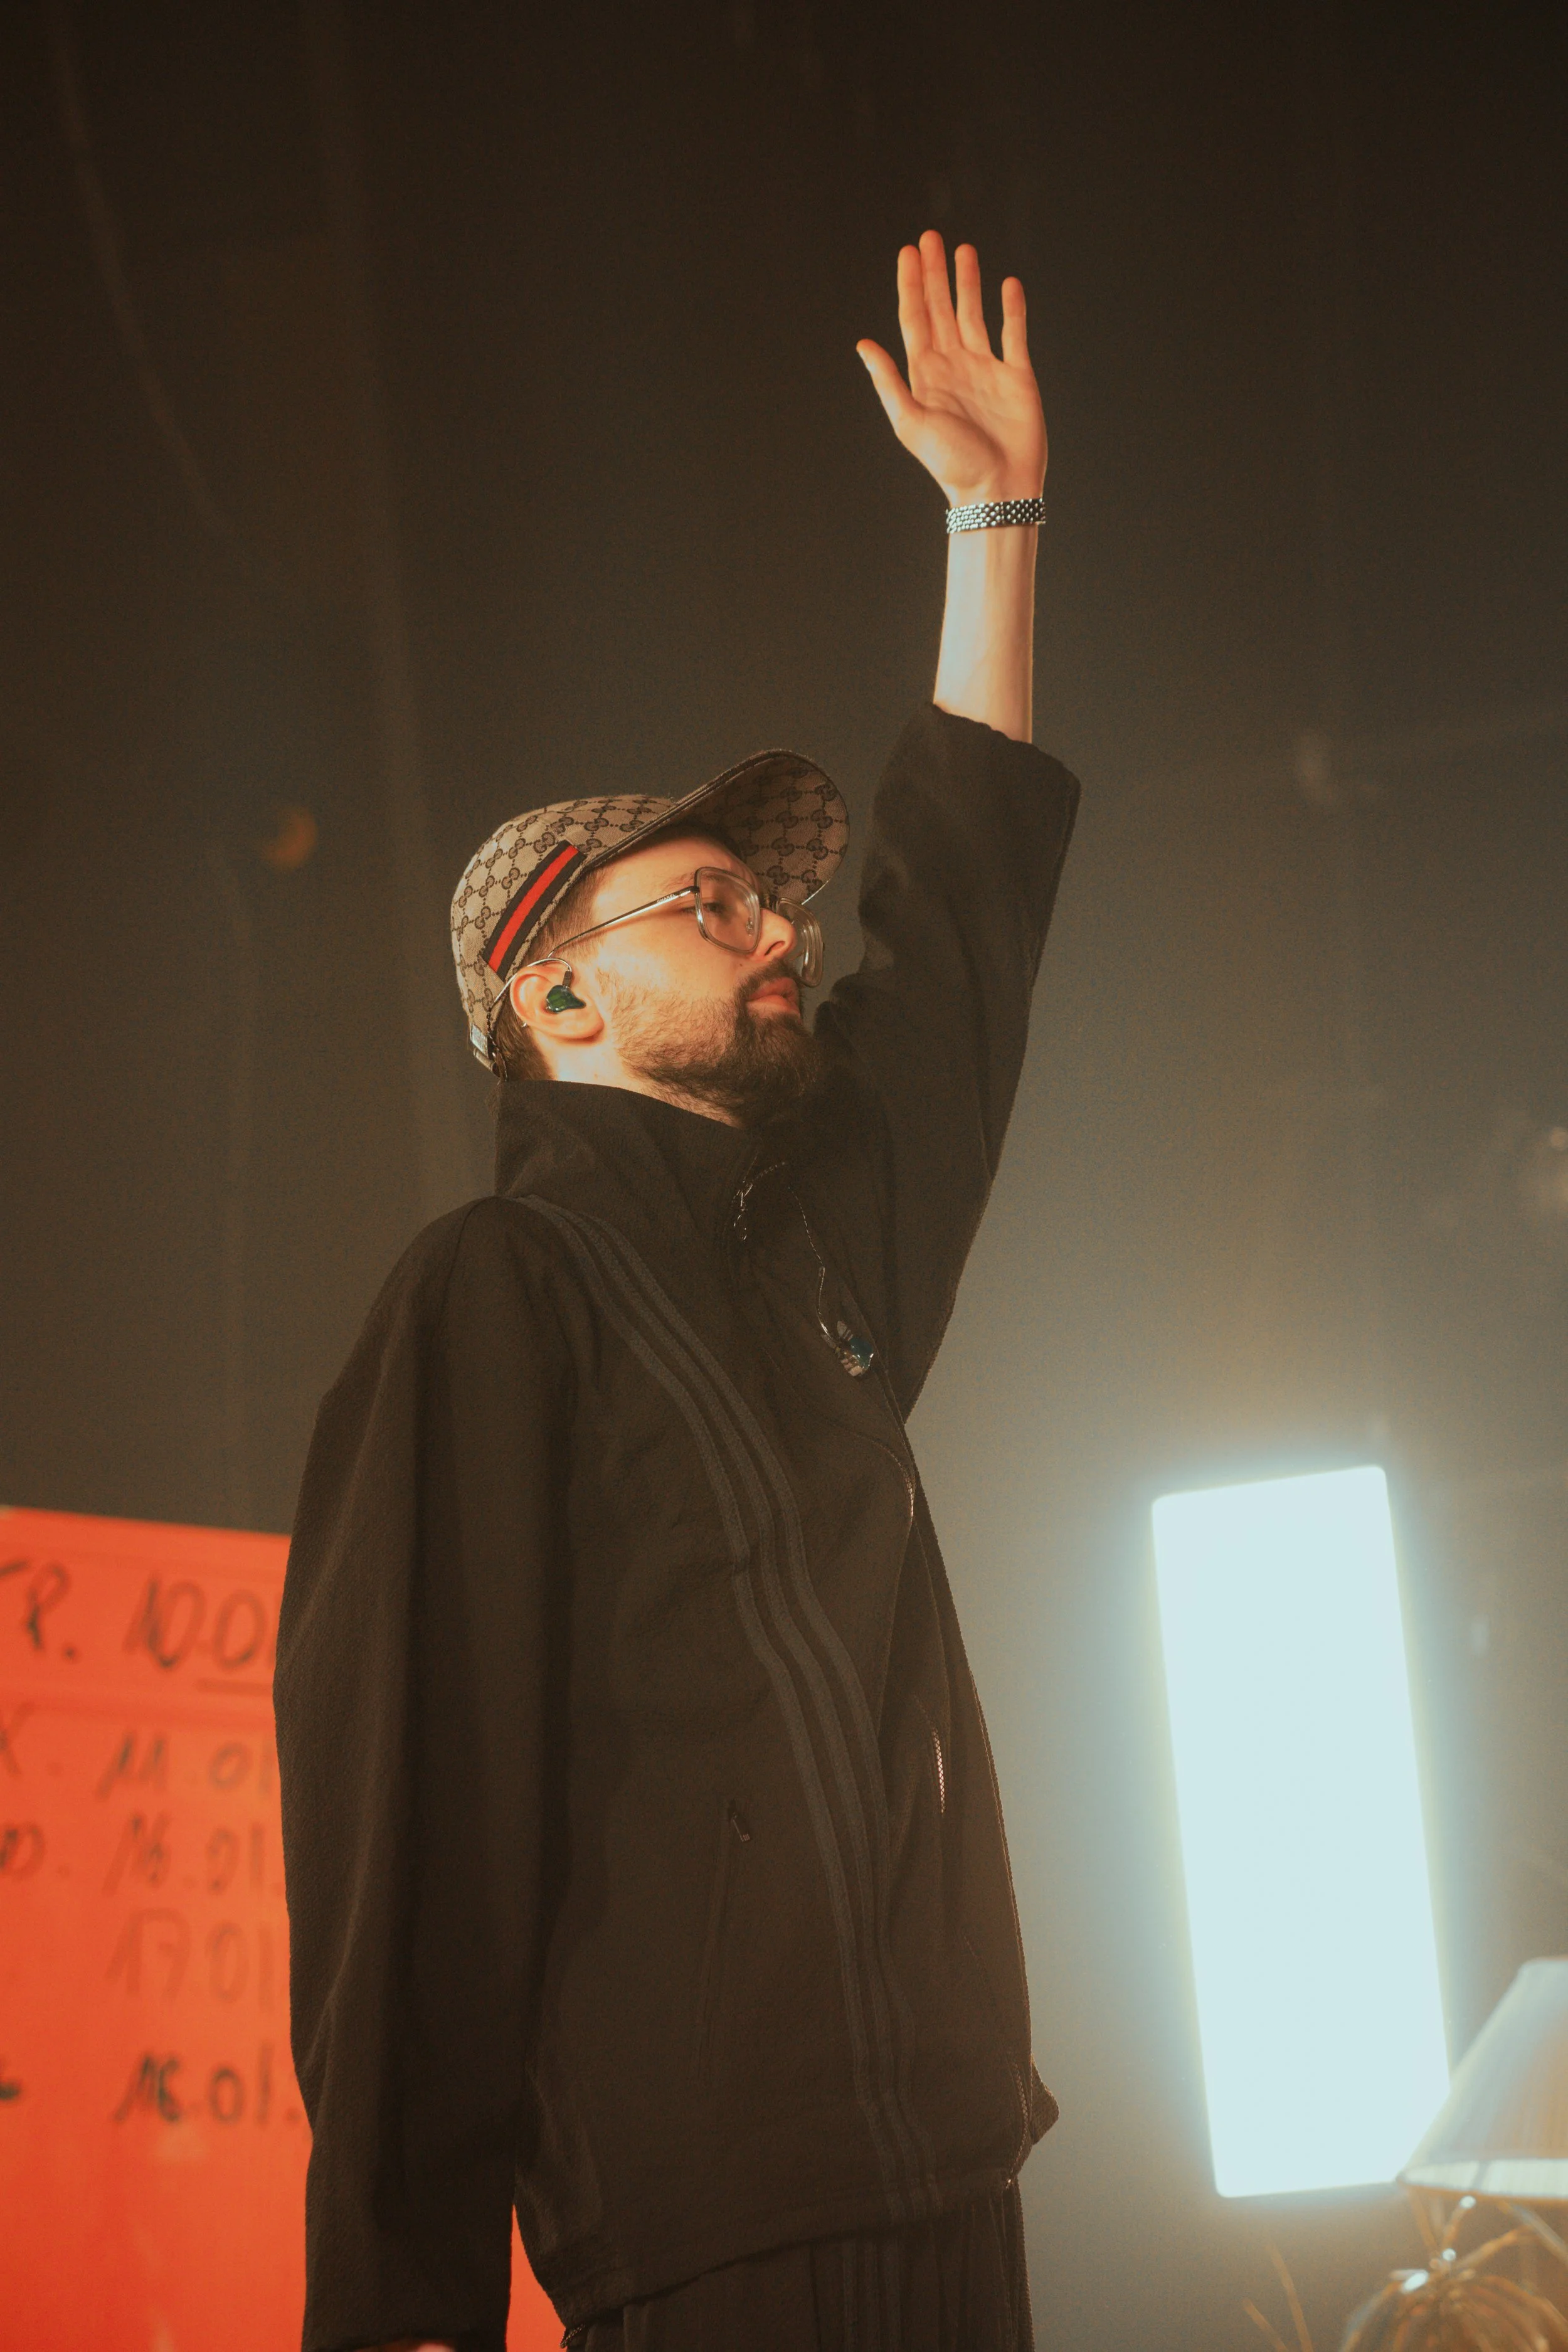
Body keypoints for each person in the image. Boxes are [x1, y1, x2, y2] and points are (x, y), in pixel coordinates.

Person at [275, 231, 1079, 2352]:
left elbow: (960, 939)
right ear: (556, 991)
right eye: (707, 903)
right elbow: (405, 1826)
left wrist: (990, 522)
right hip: (714, 2227)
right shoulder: (493, 1293)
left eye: (768, 902)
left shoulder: (813, 1262)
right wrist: (396, 2306)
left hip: (949, 2162)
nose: (770, 934)